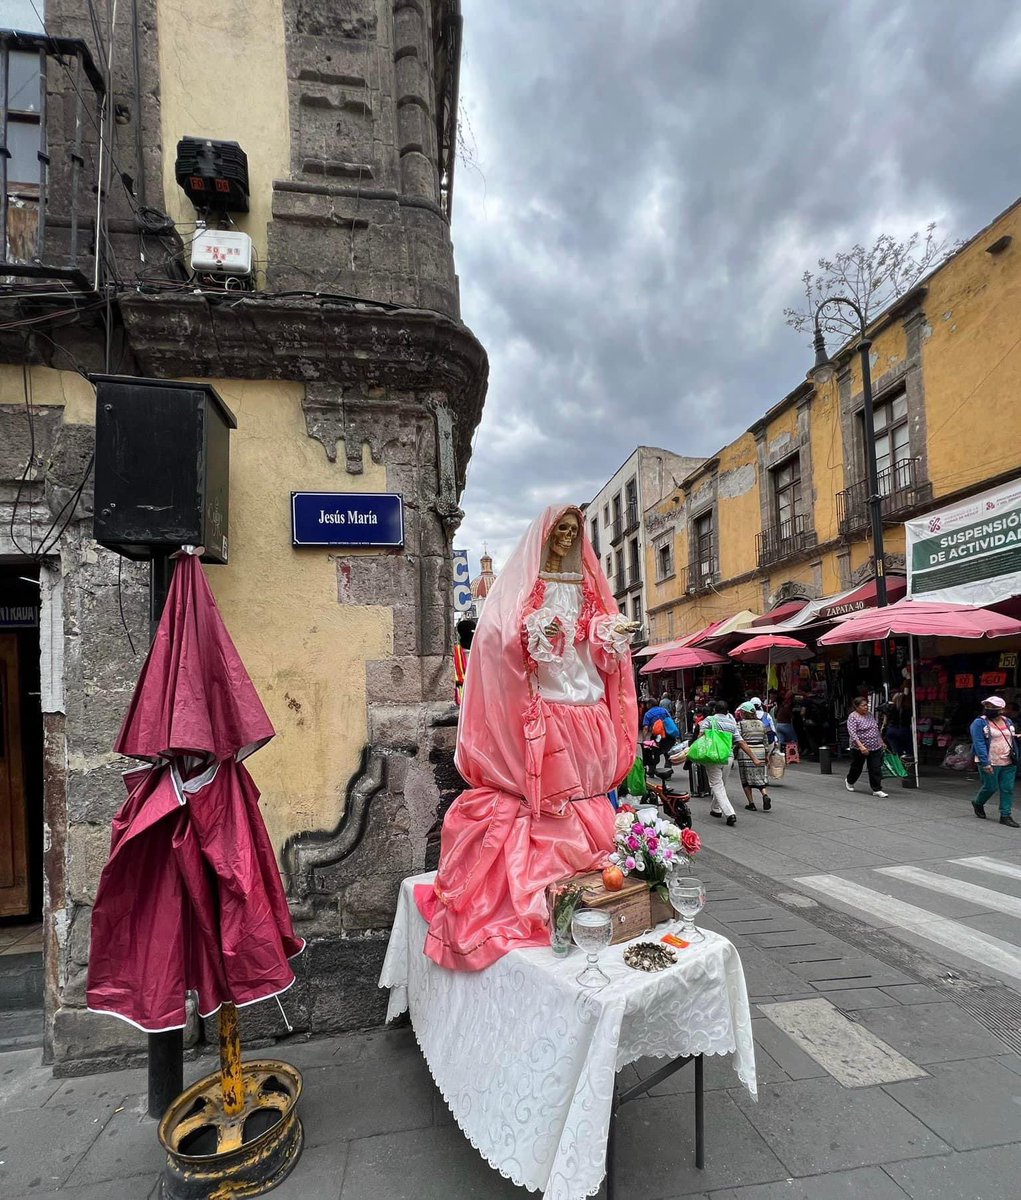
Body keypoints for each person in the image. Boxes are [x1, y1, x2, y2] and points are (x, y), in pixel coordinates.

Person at [418, 505, 638, 970]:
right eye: (560, 529)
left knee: (583, 791)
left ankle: (590, 884)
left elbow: (591, 637)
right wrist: (537, 629)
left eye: (573, 531)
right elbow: (497, 636)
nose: (565, 537)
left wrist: (607, 629)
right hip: (549, 699)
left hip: (583, 695)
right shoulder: (522, 588)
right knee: (550, 792)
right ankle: (550, 888)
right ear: (545, 534)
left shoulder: (586, 585)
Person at [697, 700, 761, 827]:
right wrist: (754, 758)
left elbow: (700, 736)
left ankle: (730, 813)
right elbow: (741, 742)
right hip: (728, 757)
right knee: (721, 784)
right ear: (727, 711)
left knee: (717, 784)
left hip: (713, 756)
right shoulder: (732, 723)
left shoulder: (709, 720)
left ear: (715, 710)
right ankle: (715, 809)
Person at [970, 695, 1019, 827]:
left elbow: (1010, 738)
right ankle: (978, 802)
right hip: (990, 761)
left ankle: (1005, 815)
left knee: (1007, 789)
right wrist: (985, 762)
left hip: (1008, 761)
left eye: (992, 707)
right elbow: (979, 743)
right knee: (990, 787)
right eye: (986, 706)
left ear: (1001, 709)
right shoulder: (979, 723)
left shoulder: (1008, 721)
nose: (988, 709)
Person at [844, 696, 888, 797]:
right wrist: (861, 746)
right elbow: (852, 733)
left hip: (874, 746)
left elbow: (875, 729)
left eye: (866, 705)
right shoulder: (853, 716)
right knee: (857, 767)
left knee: (875, 767)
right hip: (859, 747)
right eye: (863, 705)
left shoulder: (870, 715)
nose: (866, 707)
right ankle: (850, 780)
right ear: (857, 707)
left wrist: (881, 741)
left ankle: (876, 789)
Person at [735, 701, 773, 811]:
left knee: (745, 778)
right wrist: (766, 754)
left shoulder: (741, 724)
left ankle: (751, 803)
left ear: (744, 713)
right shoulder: (761, 723)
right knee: (759, 777)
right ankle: (765, 795)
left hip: (746, 752)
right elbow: (766, 740)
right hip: (760, 751)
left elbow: (738, 740)